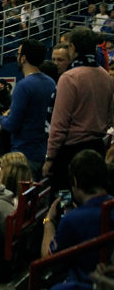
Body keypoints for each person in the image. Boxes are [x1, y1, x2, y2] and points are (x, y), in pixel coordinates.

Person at [45, 27, 114, 190]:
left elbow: (59, 124)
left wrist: (50, 159)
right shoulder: (106, 77)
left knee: (64, 202)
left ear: (73, 48)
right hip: (97, 151)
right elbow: (110, 118)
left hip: (70, 156)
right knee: (93, 196)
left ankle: (66, 215)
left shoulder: (69, 78)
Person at [42, 150, 114, 283]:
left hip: (85, 289)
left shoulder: (72, 220)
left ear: (75, 181)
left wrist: (49, 221)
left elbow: (50, 263)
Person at [0, 39, 55, 177]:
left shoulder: (23, 86)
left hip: (23, 155)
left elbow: (12, 124)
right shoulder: (51, 83)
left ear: (23, 58)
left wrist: (2, 118)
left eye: (18, 54)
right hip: (43, 152)